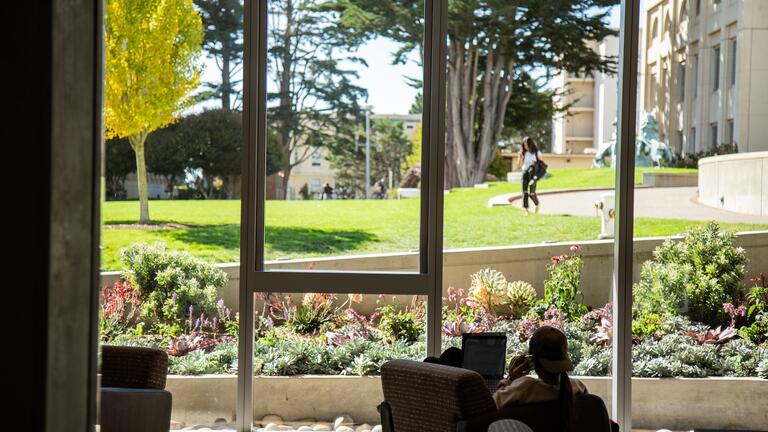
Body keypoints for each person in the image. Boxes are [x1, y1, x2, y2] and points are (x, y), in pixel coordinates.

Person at [516, 137, 543, 215]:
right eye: (524, 145)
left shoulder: (537, 153)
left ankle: (537, 204)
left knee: (532, 193)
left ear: (531, 144)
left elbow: (541, 165)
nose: (525, 147)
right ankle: (526, 210)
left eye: (527, 145)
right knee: (525, 192)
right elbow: (518, 166)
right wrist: (519, 157)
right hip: (525, 173)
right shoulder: (523, 153)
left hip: (533, 174)